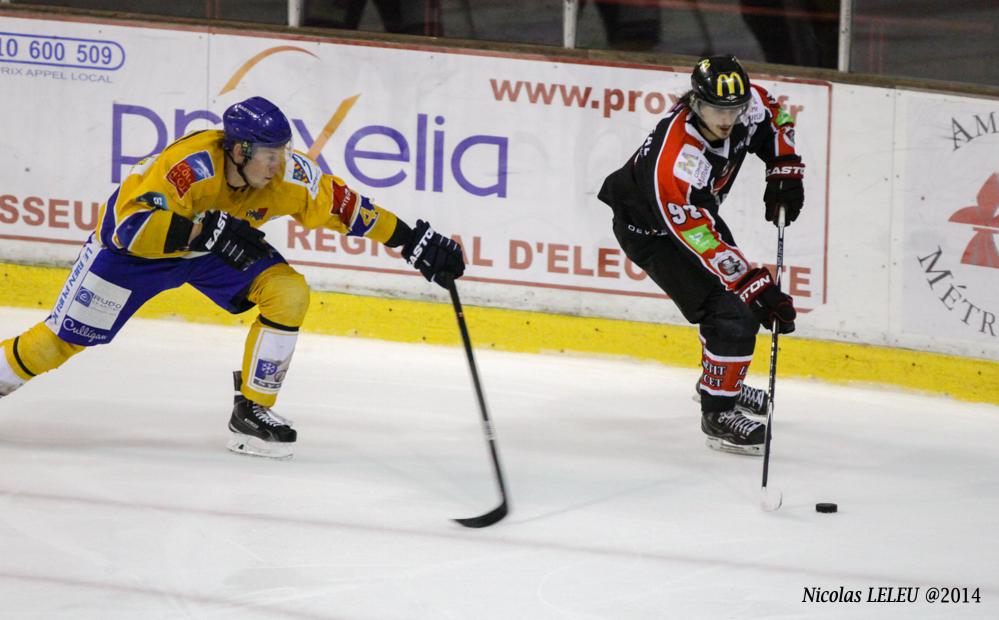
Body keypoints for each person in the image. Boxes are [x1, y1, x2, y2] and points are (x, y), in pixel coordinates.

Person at [0, 96, 465, 460]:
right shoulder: (190, 169)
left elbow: (348, 209)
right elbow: (129, 231)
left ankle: (251, 409)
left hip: (207, 254)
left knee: (288, 293)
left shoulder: (288, 177)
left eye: (282, 154)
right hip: (135, 256)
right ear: (239, 150)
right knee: (54, 346)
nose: (278, 166)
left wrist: (413, 242)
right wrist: (209, 231)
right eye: (268, 156)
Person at [598, 55, 803, 456]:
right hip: (654, 233)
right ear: (694, 102)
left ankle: (722, 379)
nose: (726, 119)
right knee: (732, 309)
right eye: (714, 108)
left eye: (733, 109)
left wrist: (784, 168)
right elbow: (698, 238)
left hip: (692, 218)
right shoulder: (677, 159)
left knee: (736, 307)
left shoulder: (748, 107)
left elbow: (776, 116)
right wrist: (754, 287)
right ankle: (718, 412)